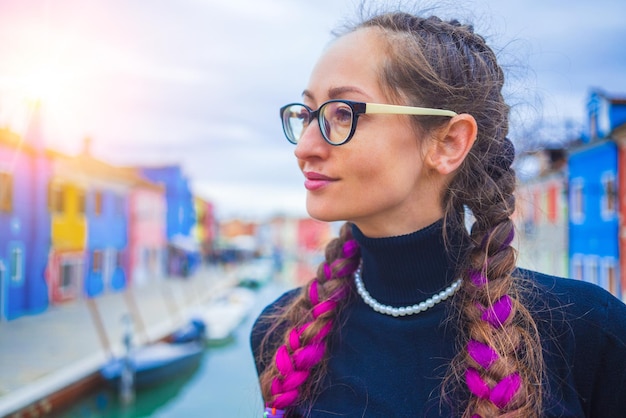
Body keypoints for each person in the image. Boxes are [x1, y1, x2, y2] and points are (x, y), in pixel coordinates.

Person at [250, 8, 626, 418]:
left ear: (448, 143)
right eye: (306, 115)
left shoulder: (588, 329)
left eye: (343, 113)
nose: (304, 147)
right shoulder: (280, 334)